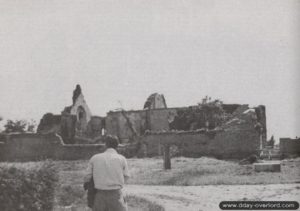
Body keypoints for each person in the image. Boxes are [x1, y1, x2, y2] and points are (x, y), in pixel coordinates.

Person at [84, 135, 130, 211]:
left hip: (100, 195)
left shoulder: (95, 158)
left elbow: (87, 177)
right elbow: (126, 176)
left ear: (106, 145)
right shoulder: (122, 159)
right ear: (117, 145)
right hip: (116, 195)